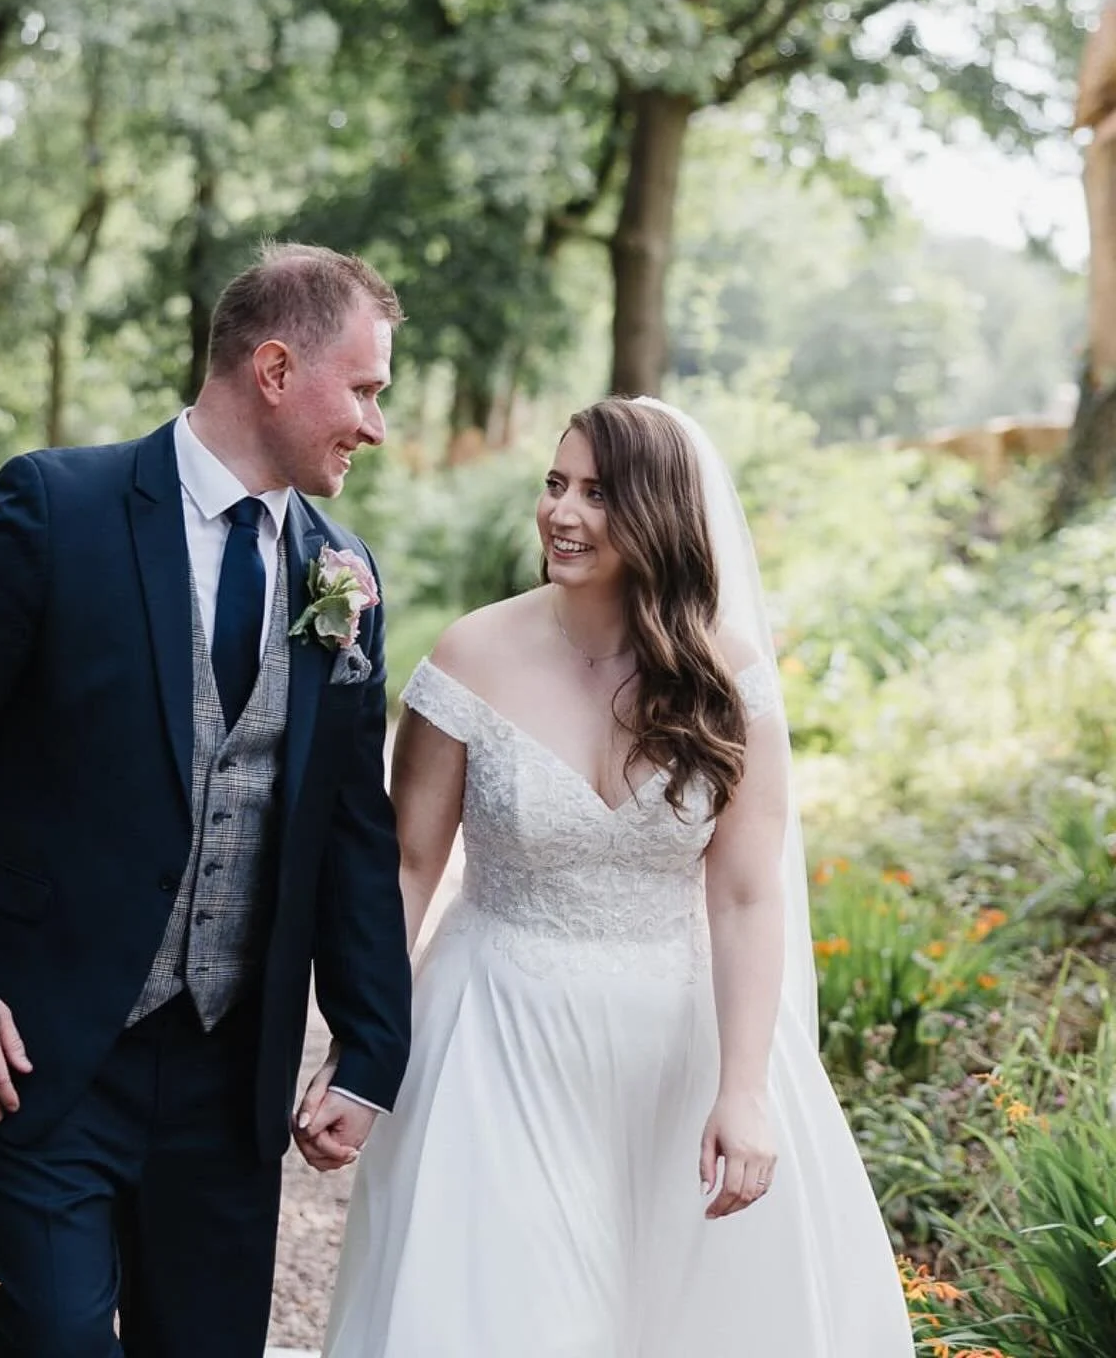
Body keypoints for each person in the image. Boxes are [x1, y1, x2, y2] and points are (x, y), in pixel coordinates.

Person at [0, 243, 412, 1358]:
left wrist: (367, 1048)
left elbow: (350, 832)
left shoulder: (340, 574)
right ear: (272, 369)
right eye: (363, 389)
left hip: (228, 1073)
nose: (375, 425)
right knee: (62, 1344)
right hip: (36, 1042)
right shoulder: (57, 508)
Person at [314, 395, 915, 1357]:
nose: (563, 512)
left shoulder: (728, 678)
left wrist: (746, 1088)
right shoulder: (471, 654)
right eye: (555, 485)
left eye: (598, 493)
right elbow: (410, 867)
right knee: (508, 1316)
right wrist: (364, 1045)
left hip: (677, 1049)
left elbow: (747, 893)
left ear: (661, 513)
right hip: (494, 1033)